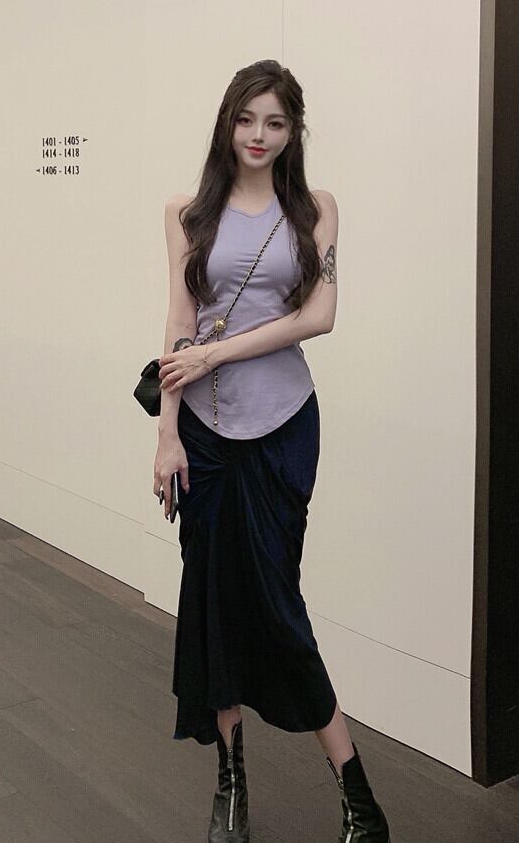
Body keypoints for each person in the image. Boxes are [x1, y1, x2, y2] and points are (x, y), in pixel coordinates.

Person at [153, 60, 390, 842]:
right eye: (247, 119)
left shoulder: (315, 209)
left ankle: (358, 797)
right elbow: (179, 324)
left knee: (278, 606)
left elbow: (320, 316)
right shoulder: (186, 213)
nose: (259, 135)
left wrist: (217, 354)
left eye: (275, 122)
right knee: (214, 606)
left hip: (284, 426)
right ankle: (230, 785)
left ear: (293, 132)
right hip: (204, 437)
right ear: (227, 123)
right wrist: (166, 434)